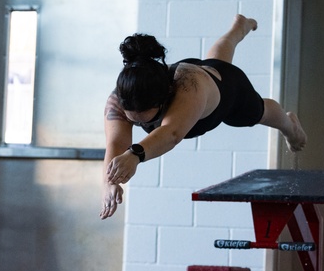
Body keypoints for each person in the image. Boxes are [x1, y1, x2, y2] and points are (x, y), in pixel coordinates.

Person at [101, 15, 307, 220]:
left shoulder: (189, 89)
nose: (142, 124)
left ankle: (291, 127)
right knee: (216, 62)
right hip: (203, 75)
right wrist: (110, 182)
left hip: (226, 91)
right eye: (135, 121)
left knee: (260, 112)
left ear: (164, 98)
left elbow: (171, 133)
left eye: (146, 120)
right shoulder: (119, 98)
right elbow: (116, 142)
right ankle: (239, 27)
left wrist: (135, 155)